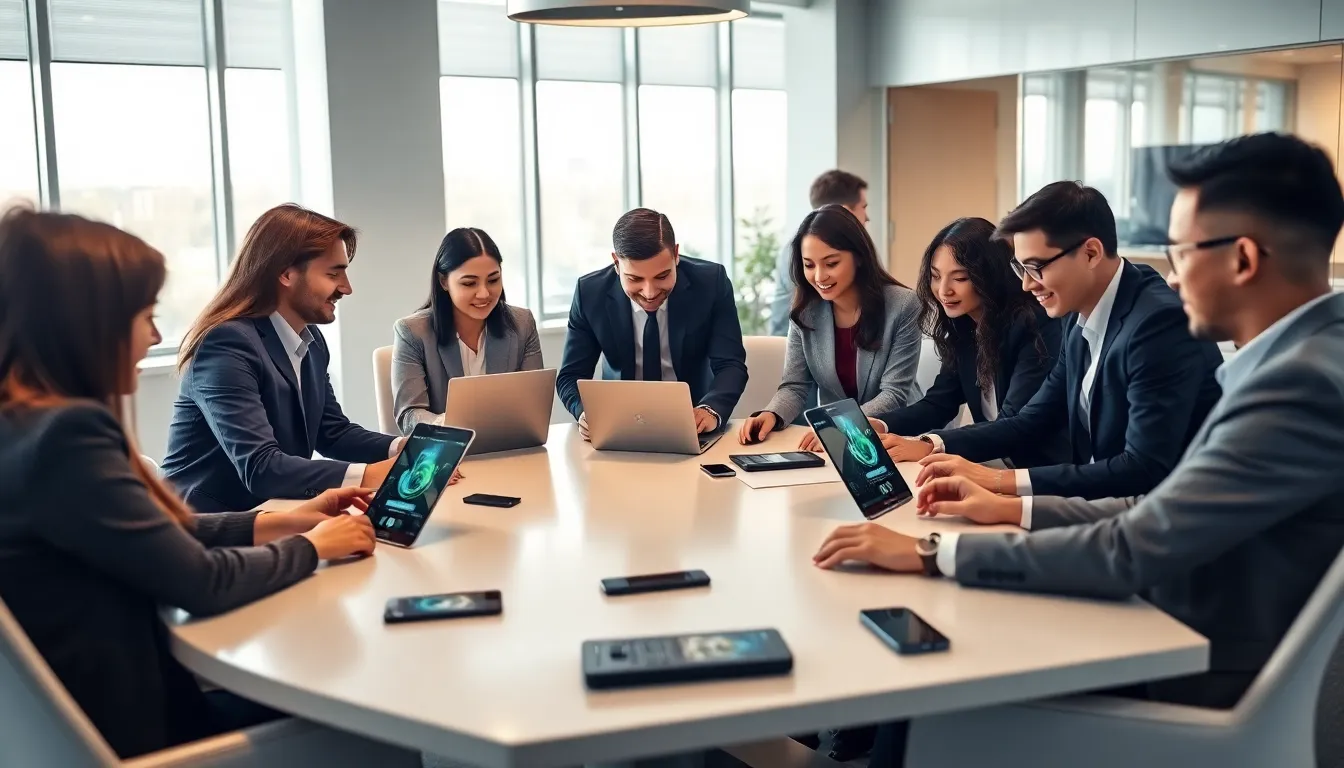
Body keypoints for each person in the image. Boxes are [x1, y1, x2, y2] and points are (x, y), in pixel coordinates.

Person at [816, 133, 1344, 765]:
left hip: (1194, 665)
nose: (1173, 274)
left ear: (1244, 259)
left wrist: (934, 553)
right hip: (1174, 619)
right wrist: (1009, 506)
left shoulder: (1300, 386)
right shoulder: (1304, 360)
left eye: (1180, 250)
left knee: (929, 683)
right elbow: (1154, 511)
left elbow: (1134, 543)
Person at [0, 207, 380, 759]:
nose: (156, 336)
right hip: (145, 732)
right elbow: (203, 582)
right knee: (362, 713)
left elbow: (146, 533)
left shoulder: (23, 428)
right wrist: (313, 546)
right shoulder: (69, 437)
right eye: (145, 315)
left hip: (76, 724)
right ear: (85, 324)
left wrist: (276, 522)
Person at [903, 181, 1223, 501]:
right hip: (1102, 500)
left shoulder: (1157, 323)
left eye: (1036, 267)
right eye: (1020, 268)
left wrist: (999, 480)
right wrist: (935, 445)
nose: (1027, 285)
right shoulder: (1076, 312)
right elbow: (1032, 419)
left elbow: (1141, 469)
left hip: (1165, 512)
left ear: (1091, 253)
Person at [163, 204, 413, 513]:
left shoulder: (311, 341)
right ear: (285, 274)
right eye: (333, 274)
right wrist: (371, 474)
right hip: (204, 525)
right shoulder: (225, 345)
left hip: (273, 512)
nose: (346, 288)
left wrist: (401, 449)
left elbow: (332, 432)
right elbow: (261, 468)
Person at [874, 217, 1067, 469]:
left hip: (1040, 472)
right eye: (935, 276)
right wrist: (879, 424)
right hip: (995, 463)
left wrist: (931, 444)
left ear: (991, 275)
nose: (944, 290)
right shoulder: (964, 328)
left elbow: (1015, 422)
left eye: (960, 278)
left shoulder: (1033, 324)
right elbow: (938, 404)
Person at [738, 205, 922, 449]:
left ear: (858, 257)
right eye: (809, 265)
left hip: (896, 435)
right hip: (835, 442)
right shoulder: (804, 312)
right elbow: (795, 386)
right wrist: (771, 414)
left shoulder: (904, 305)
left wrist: (840, 425)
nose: (819, 276)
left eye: (831, 263)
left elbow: (894, 394)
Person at [556, 208, 748, 439]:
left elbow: (730, 364)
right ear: (616, 263)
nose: (650, 293)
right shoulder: (589, 293)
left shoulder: (711, 283)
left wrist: (710, 409)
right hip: (618, 428)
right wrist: (586, 412)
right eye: (635, 279)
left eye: (662, 276)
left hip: (692, 424)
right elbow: (570, 376)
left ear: (676, 254)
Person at [391, 227, 542, 434]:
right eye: (470, 283)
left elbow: (534, 405)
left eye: (493, 280)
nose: (484, 293)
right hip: (448, 448)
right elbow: (408, 415)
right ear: (444, 281)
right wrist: (449, 424)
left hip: (509, 446)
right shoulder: (412, 332)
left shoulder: (522, 324)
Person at [769, 170, 870, 336]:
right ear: (844, 211)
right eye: (863, 207)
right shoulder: (798, 250)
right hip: (791, 343)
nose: (866, 217)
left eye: (831, 263)